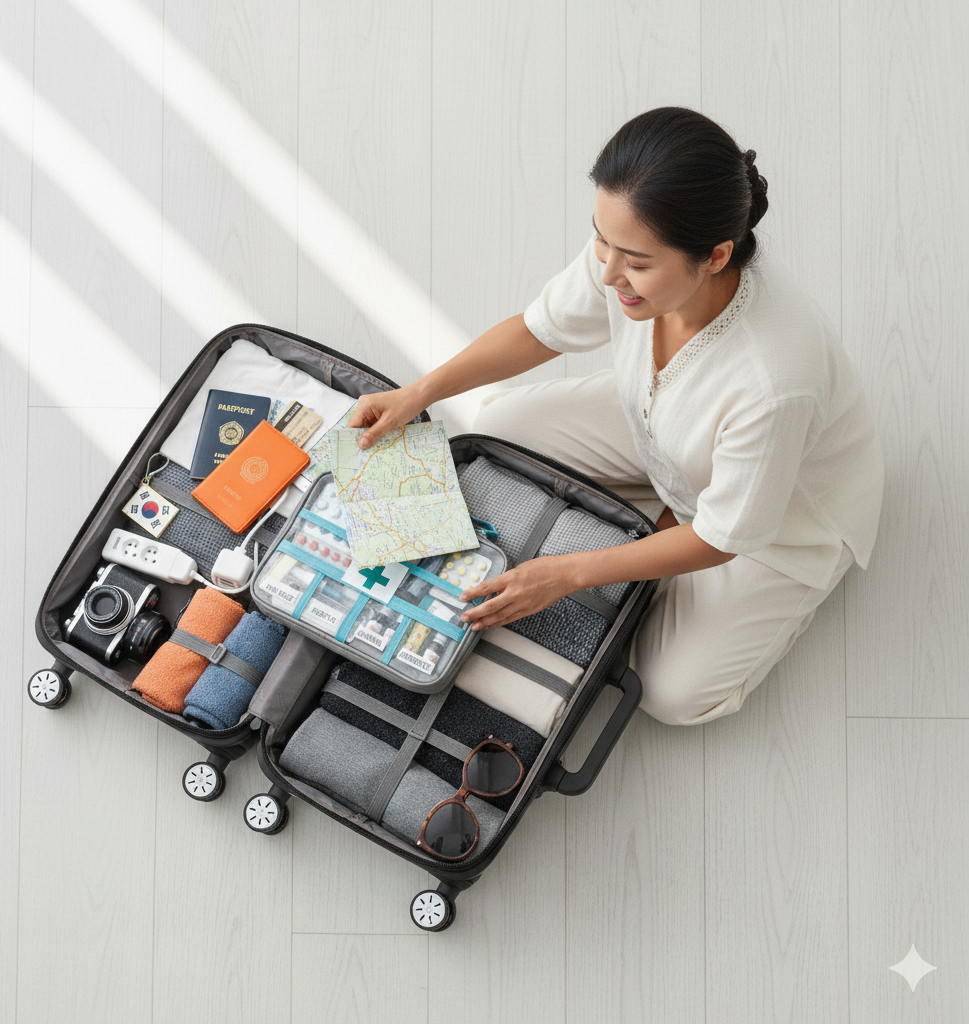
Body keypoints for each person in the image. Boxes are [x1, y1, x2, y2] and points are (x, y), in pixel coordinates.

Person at [347, 106, 884, 726]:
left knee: (670, 694)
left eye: (635, 262)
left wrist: (569, 572)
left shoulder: (773, 383)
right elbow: (537, 330)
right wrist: (418, 393)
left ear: (715, 256)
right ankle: (655, 515)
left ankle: (758, 587)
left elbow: (718, 538)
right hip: (660, 424)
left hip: (779, 518)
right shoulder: (630, 246)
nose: (607, 273)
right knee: (494, 431)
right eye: (601, 240)